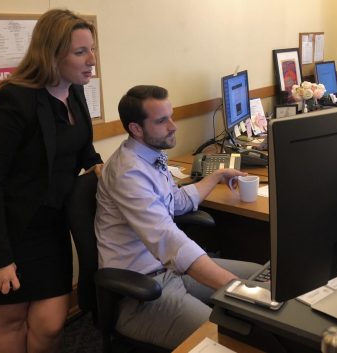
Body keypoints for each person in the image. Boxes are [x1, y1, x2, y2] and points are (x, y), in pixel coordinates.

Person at [0, 9, 102, 353]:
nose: (92, 60)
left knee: (50, 324)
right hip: (5, 230)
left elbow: (79, 148)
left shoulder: (74, 89)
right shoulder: (15, 100)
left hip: (49, 227)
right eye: (80, 52)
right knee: (11, 321)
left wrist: (97, 166)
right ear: (51, 54)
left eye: (91, 49)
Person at [94, 85, 263, 349]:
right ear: (136, 129)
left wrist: (217, 176)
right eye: (162, 121)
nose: (173, 126)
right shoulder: (128, 173)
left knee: (262, 278)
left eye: (171, 116)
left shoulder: (151, 155)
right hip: (142, 293)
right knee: (229, 339)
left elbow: (176, 201)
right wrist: (232, 285)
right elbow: (167, 239)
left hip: (172, 272)